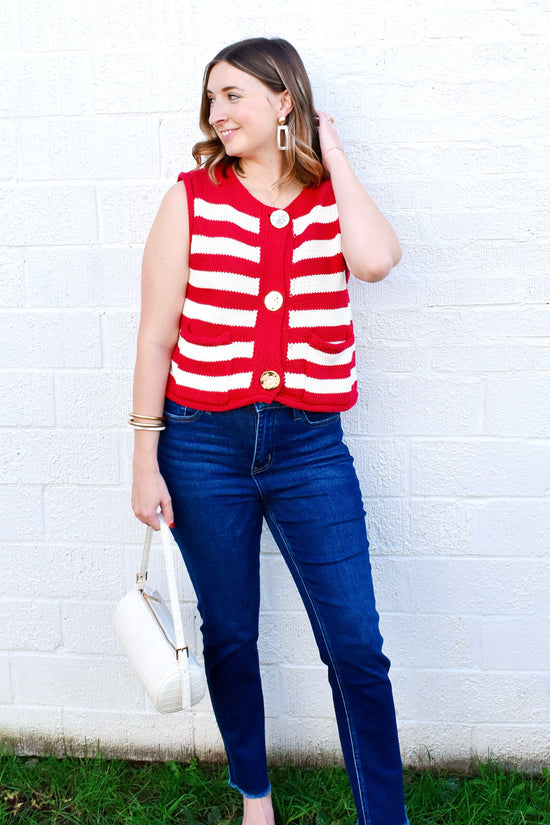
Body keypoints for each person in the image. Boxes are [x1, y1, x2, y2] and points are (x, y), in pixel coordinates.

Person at [131, 36, 408, 825]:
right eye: (211, 98)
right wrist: (145, 460)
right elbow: (156, 336)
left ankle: (384, 816)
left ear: (283, 99)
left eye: (233, 95)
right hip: (200, 445)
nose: (217, 112)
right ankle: (256, 797)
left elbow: (376, 260)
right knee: (229, 633)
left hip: (310, 447)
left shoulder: (330, 201)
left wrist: (334, 155)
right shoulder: (191, 198)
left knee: (355, 643)